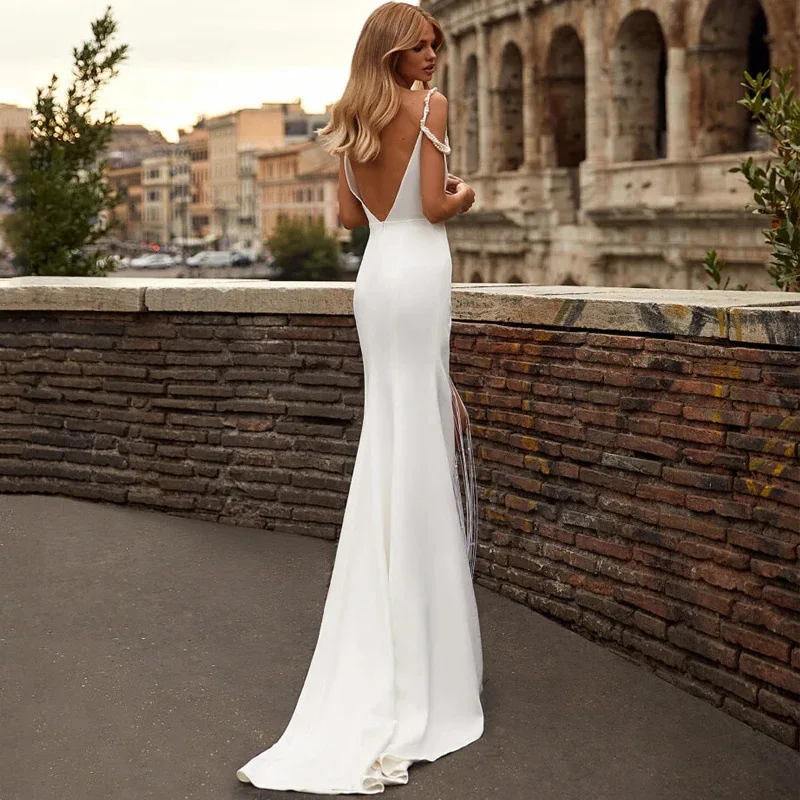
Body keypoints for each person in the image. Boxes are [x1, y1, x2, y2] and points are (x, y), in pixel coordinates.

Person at [236, 2, 483, 793]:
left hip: (376, 279)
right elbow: (440, 206)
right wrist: (464, 196)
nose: (434, 59)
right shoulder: (430, 109)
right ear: (393, 52)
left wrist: (396, 196)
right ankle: (425, 655)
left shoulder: (348, 120)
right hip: (420, 272)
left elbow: (350, 217)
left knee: (392, 435)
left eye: (437, 48)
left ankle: (379, 627)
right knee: (420, 432)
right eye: (422, 47)